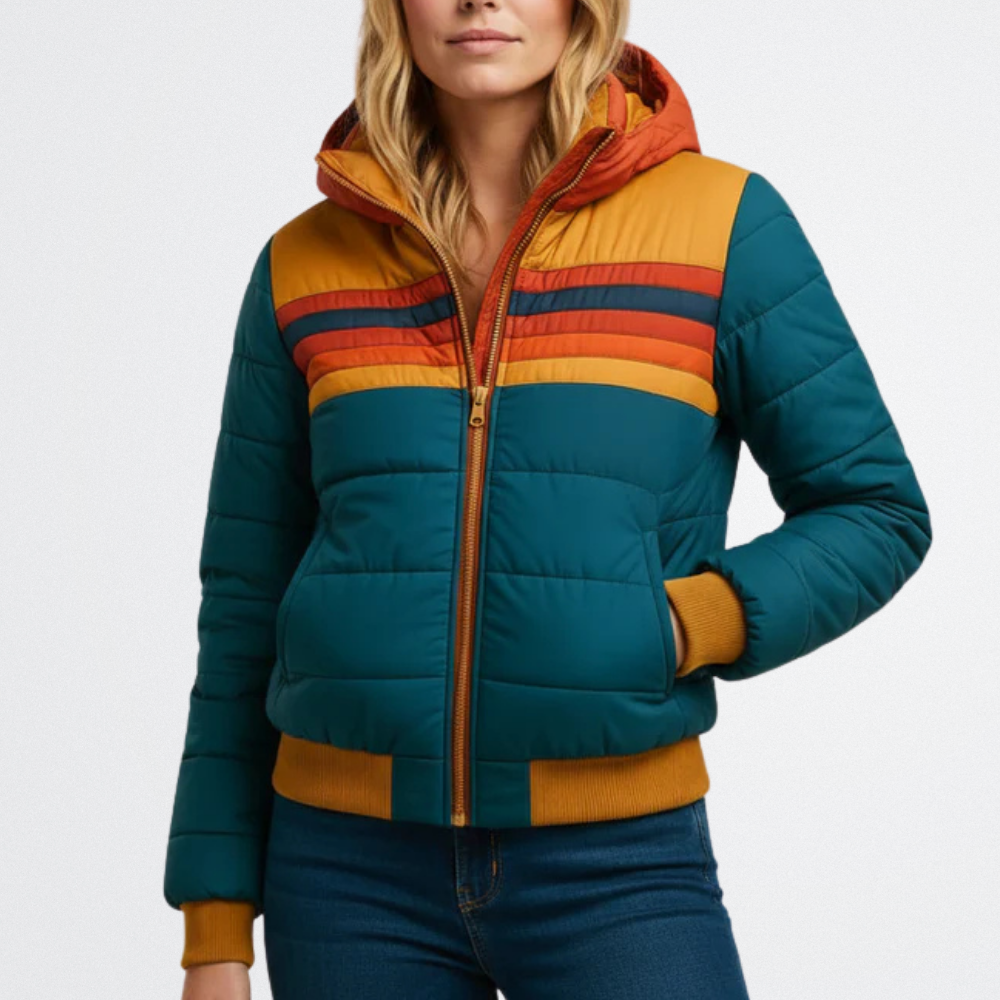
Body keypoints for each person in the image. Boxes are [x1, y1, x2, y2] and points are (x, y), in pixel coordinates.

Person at [164, 1, 933, 997]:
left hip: (618, 865)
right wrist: (214, 928)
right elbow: (243, 600)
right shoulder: (303, 264)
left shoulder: (722, 229)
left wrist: (682, 623)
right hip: (344, 875)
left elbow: (874, 508)